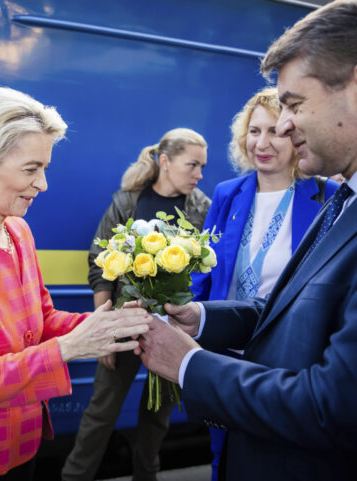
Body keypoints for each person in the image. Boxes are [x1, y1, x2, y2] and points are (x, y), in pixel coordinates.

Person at [136, 1, 357, 480]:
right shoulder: (344, 204)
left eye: (294, 105)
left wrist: (192, 366)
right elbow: (281, 309)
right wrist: (199, 318)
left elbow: (335, 406)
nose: (280, 127)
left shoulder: (328, 196)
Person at [0, 86, 151, 481]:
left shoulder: (18, 231)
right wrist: (70, 347)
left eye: (44, 169)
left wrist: (109, 325)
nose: (43, 185)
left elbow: (40, 319)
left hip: (23, 442)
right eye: (30, 169)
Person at [190, 87, 338, 480]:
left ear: (295, 135)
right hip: (224, 348)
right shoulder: (227, 194)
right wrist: (188, 319)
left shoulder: (327, 195)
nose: (262, 143)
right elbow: (204, 269)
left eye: (274, 131)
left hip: (284, 358)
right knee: (222, 454)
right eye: (254, 131)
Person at [62, 128, 210, 481]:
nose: (199, 174)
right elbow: (101, 263)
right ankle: (74, 477)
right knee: (102, 411)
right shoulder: (127, 202)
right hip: (124, 324)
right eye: (192, 165)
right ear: (165, 162)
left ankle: (147, 476)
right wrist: (104, 329)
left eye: (202, 166)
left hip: (173, 329)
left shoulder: (202, 208)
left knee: (158, 416)